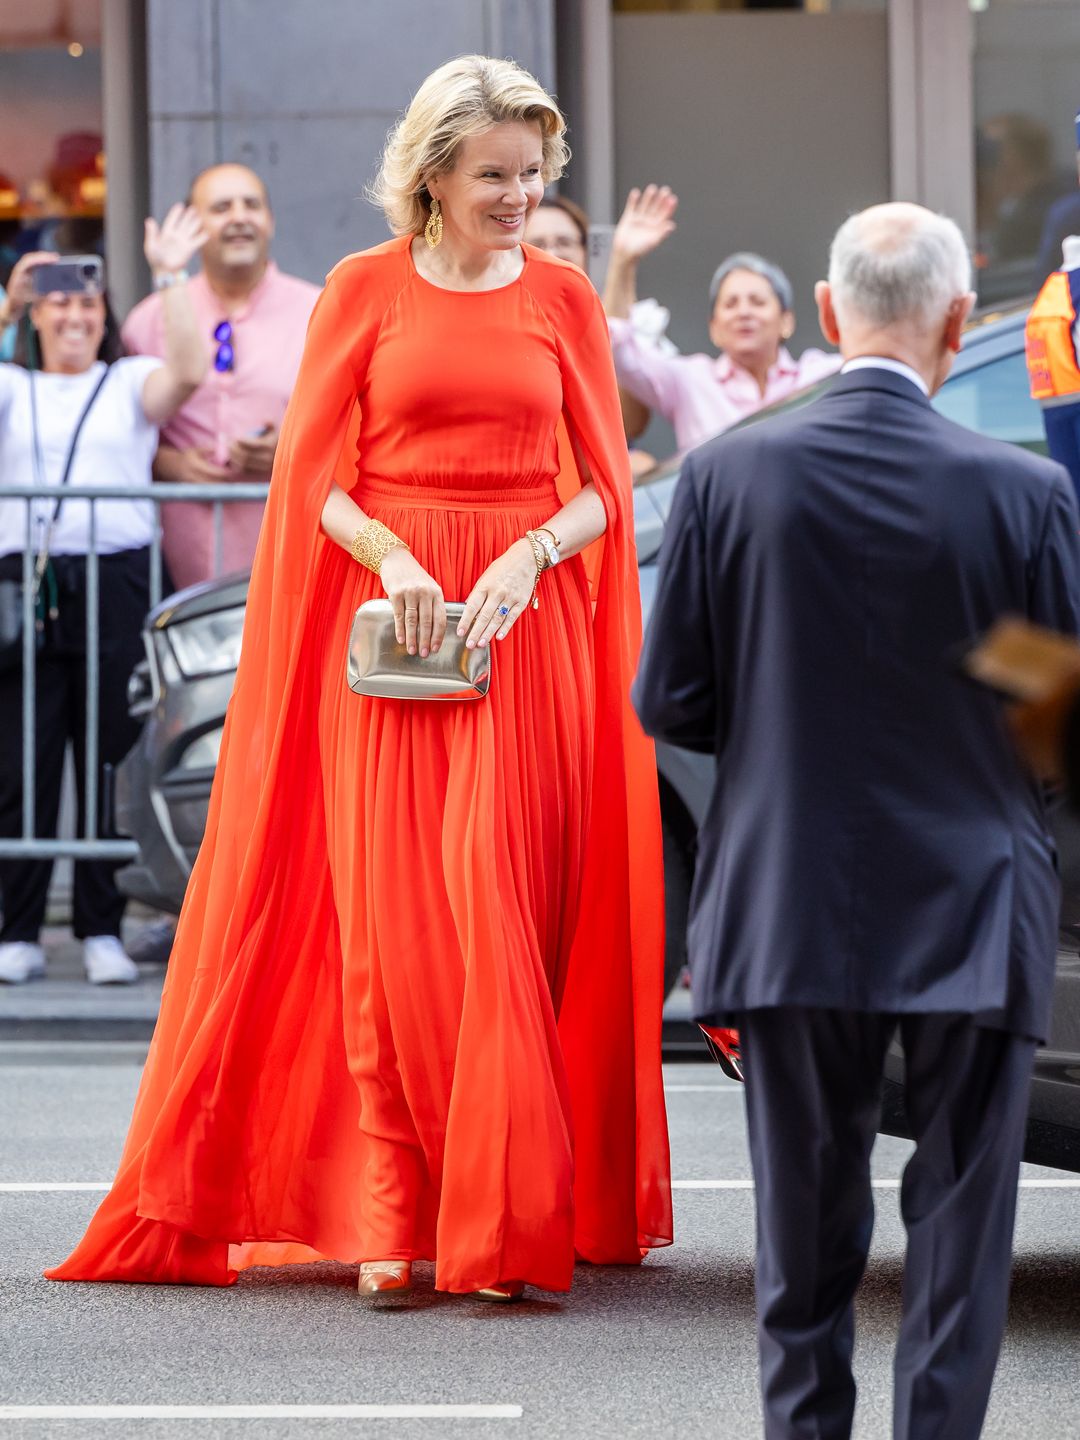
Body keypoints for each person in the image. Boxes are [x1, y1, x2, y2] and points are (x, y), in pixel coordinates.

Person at [47, 55, 672, 1302]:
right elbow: (312, 479)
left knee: (499, 918)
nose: (516, 194)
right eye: (492, 174)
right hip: (393, 640)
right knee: (392, 934)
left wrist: (532, 553)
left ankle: (495, 1223)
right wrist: (390, 554)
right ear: (431, 174)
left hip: (526, 636)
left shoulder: (560, 300)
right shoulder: (363, 289)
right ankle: (398, 1213)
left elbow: (608, 483)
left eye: (532, 173)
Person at [634, 202, 1080, 1439]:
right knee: (958, 1245)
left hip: (787, 905)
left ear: (827, 317)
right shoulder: (1021, 490)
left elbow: (673, 702)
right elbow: (1052, 729)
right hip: (976, 902)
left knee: (804, 1254)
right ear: (956, 321)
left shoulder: (730, 475)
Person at [0, 210, 208, 985]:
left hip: (118, 578)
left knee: (109, 757)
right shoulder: (12, 385)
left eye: (88, 302)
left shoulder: (124, 381)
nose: (75, 314)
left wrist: (170, 275)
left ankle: (99, 926)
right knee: (24, 758)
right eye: (57, 301)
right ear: (37, 312)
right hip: (28, 584)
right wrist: (6, 303)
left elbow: (185, 372)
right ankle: (17, 927)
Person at [122, 164, 320, 590]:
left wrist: (288, 453)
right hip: (179, 558)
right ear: (194, 223)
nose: (238, 217)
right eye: (220, 207)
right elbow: (120, 430)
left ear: (270, 220)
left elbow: (353, 424)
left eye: (251, 205)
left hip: (290, 543)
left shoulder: (320, 311)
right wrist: (168, 463)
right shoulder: (150, 319)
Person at [603, 184, 839, 453]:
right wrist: (623, 260)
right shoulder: (689, 381)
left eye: (758, 302)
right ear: (714, 328)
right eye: (730, 304)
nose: (744, 312)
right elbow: (616, 346)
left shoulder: (820, 377)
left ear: (786, 321)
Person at [524, 194, 657, 473]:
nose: (553, 253)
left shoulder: (596, 318)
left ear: (585, 253)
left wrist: (622, 264)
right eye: (537, 244)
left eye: (564, 242)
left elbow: (628, 422)